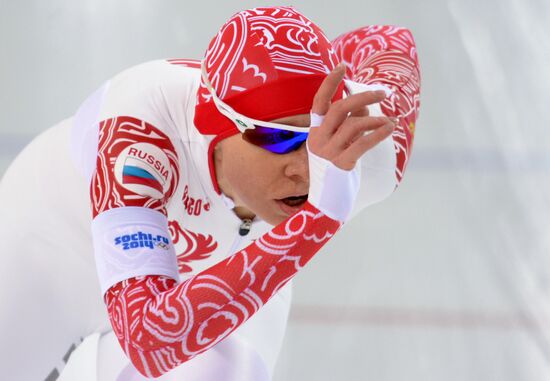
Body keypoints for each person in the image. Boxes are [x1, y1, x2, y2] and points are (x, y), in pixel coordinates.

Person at [0, 6, 420, 381]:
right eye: (278, 138)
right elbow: (148, 339)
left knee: (229, 373)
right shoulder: (140, 135)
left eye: (316, 136)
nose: (307, 169)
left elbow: (388, 39)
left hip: (213, 269)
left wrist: (318, 77)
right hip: (54, 252)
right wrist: (319, 220)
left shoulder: (360, 149)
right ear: (213, 124)